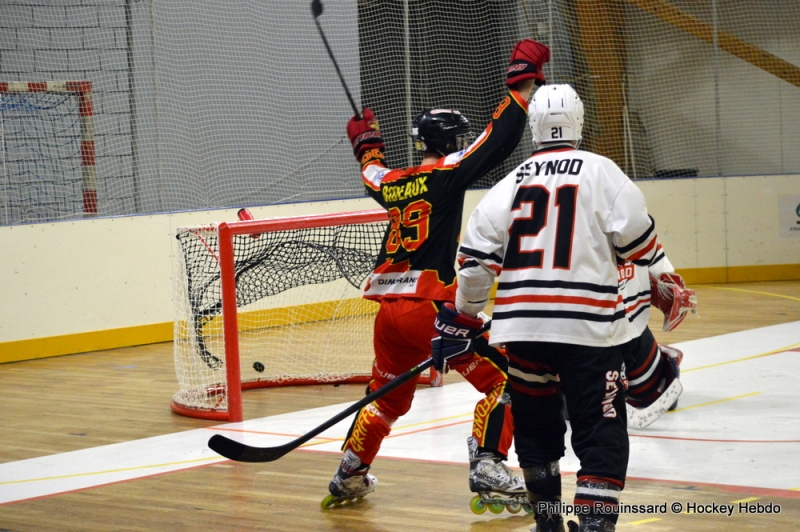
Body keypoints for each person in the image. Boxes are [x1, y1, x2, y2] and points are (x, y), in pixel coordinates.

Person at [323, 38, 551, 508]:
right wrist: (522, 85)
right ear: (450, 143)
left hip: (387, 315)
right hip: (429, 311)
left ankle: (350, 472)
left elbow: (372, 172)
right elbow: (498, 140)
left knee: (386, 399)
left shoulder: (392, 182)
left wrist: (365, 141)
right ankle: (488, 464)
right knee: (506, 381)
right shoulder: (447, 175)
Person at [436, 83, 674, 532]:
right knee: (599, 430)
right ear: (579, 122)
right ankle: (593, 526)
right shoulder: (604, 173)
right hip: (588, 331)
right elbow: (640, 242)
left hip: (523, 332)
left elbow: (471, 269)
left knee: (536, 431)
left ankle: (547, 521)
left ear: (533, 129)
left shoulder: (508, 185)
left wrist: (465, 318)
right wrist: (658, 278)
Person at [619, 258, 696, 418]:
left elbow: (668, 278)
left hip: (626, 335)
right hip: (589, 337)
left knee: (648, 391)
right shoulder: (634, 234)